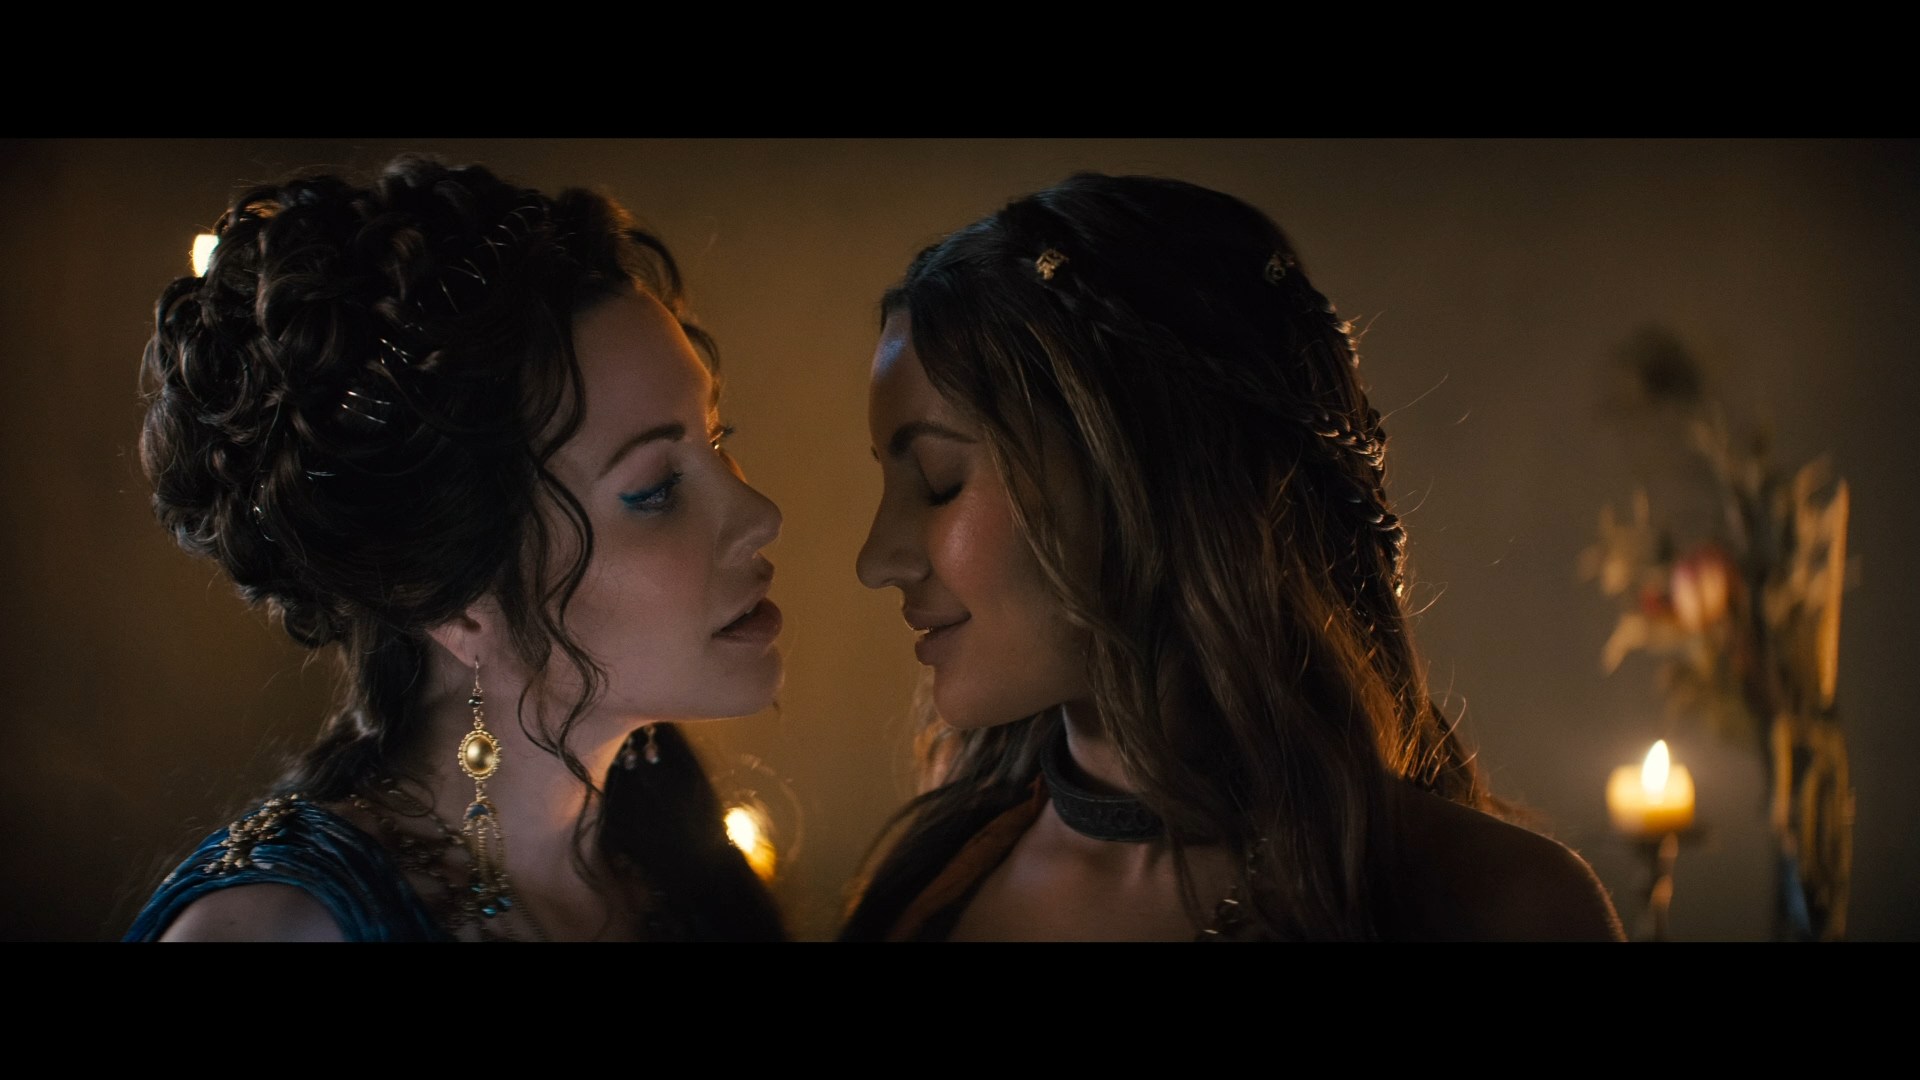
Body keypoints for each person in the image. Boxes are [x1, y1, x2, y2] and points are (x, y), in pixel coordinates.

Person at [843, 174, 1625, 941]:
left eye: (937, 482)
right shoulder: (924, 893)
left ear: (1150, 477)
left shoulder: (1498, 906)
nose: (877, 560)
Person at [125, 157, 786, 941]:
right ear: (455, 600)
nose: (760, 514)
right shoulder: (281, 927)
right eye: (655, 489)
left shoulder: (676, 864)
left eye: (719, 439)